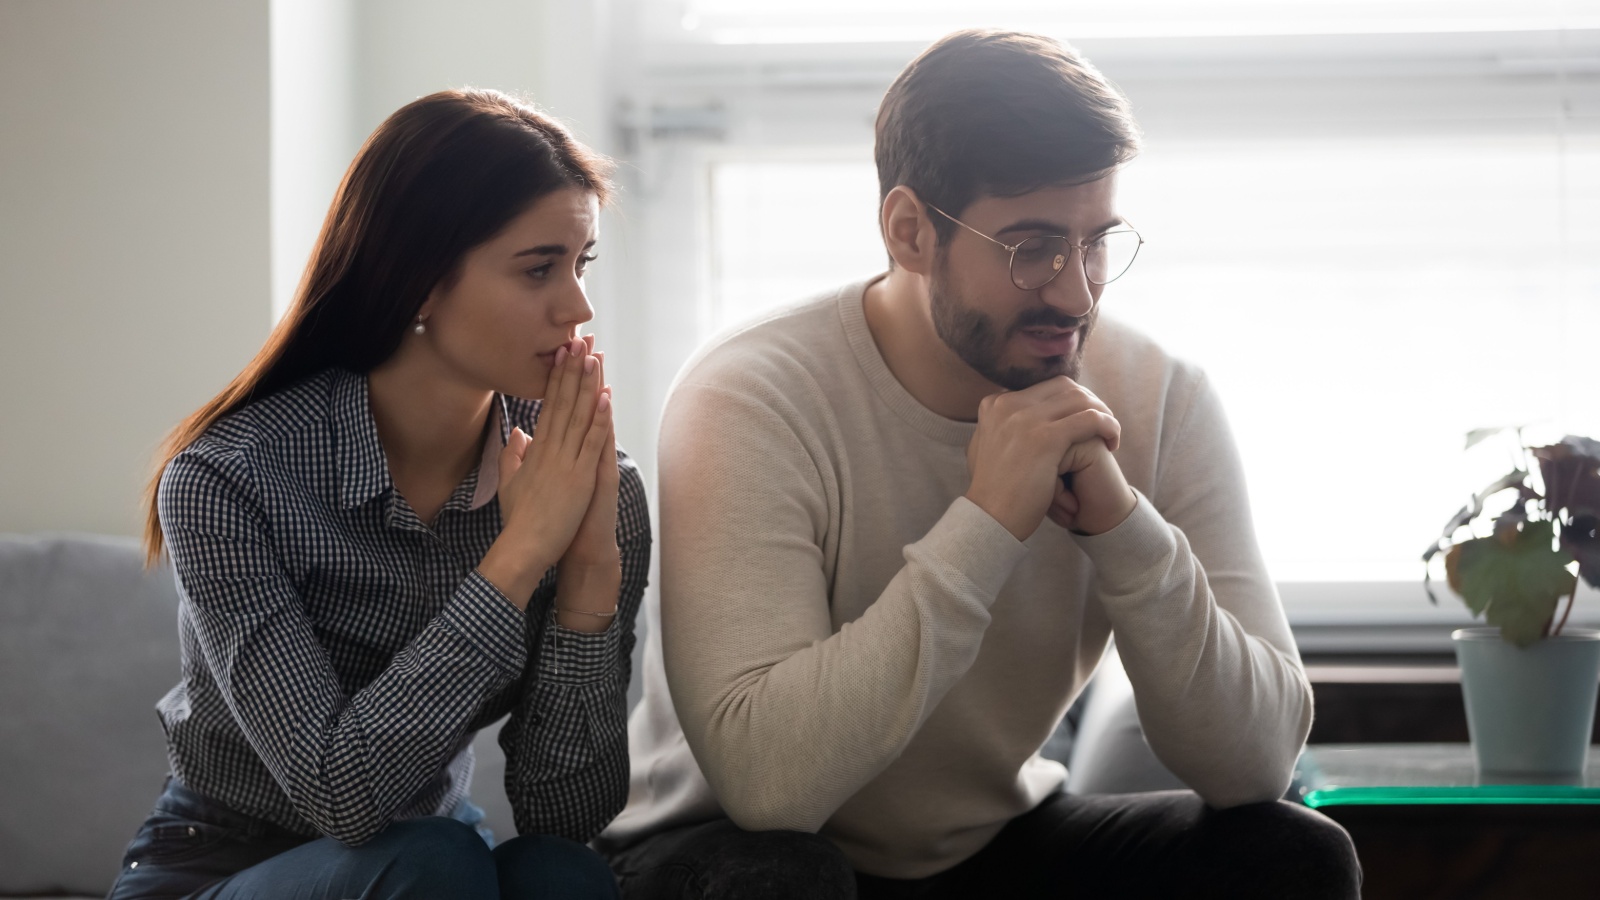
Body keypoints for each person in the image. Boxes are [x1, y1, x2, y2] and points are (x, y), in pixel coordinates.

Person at [600, 30, 1360, 899]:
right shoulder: (748, 398)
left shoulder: (1159, 398)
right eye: (1029, 247)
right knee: (779, 879)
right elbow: (771, 787)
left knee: (1293, 853)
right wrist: (987, 520)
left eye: (1096, 242)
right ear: (909, 230)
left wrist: (1123, 528)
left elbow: (1256, 760)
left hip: (989, 843)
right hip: (726, 843)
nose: (1075, 293)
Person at [109, 89, 648, 900]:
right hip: (220, 863)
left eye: (581, 265)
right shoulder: (228, 480)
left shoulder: (588, 484)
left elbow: (562, 812)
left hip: (429, 859)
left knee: (559, 875)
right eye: (540, 268)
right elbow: (341, 794)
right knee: (434, 861)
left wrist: (589, 580)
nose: (578, 308)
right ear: (422, 283)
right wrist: (521, 552)